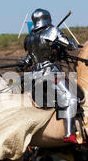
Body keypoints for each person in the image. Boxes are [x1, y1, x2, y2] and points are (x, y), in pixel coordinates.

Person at [18, 8, 79, 143]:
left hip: (33, 76)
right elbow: (70, 46)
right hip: (50, 72)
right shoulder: (52, 31)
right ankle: (70, 133)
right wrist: (70, 42)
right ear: (47, 18)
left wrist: (23, 63)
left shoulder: (29, 37)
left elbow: (29, 58)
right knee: (70, 99)